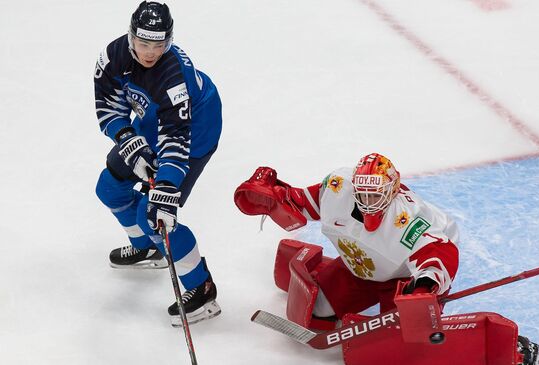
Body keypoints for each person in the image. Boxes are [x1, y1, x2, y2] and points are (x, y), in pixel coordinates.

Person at [93, 1, 222, 326]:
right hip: (153, 118)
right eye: (144, 43)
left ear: (168, 41)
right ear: (131, 36)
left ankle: (202, 288)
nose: (151, 52)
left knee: (154, 216)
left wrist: (165, 189)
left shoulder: (173, 76)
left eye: (159, 45)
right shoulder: (112, 57)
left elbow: (177, 140)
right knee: (109, 188)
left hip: (196, 127)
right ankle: (148, 250)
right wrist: (127, 138)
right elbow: (107, 106)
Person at [234, 152, 460, 322]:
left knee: (405, 330)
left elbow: (440, 252)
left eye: (376, 195)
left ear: (393, 190)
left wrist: (424, 286)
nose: (368, 201)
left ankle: (417, 303)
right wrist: (275, 196)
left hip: (402, 276)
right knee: (317, 309)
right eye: (363, 194)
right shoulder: (338, 188)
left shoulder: (408, 219)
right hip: (362, 266)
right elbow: (304, 202)